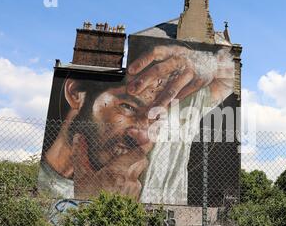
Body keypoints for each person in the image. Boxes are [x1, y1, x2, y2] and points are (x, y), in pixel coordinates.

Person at [38, 44, 234, 204]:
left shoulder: (184, 100)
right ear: (76, 93)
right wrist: (99, 205)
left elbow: (231, 74)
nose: (144, 136)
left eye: (156, 117)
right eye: (128, 107)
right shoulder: (40, 196)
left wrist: (202, 63)